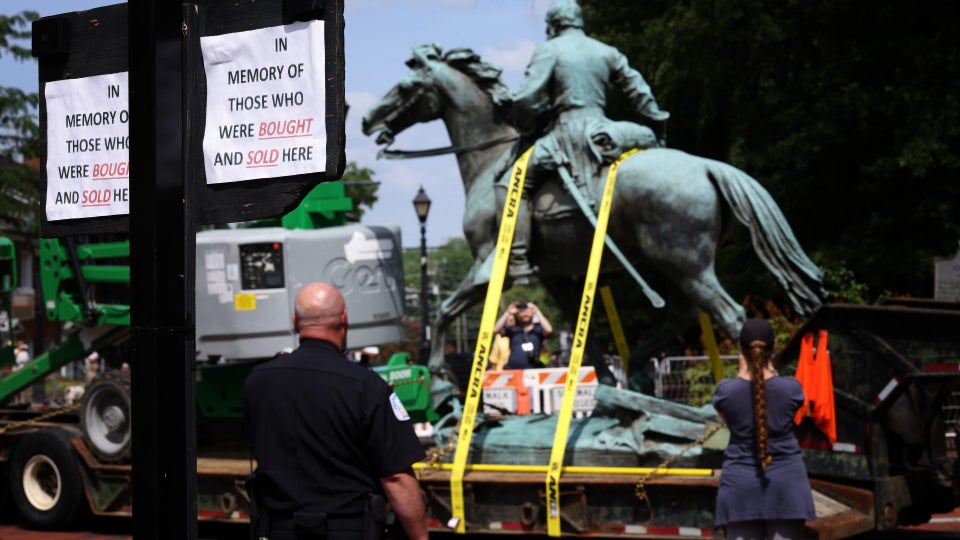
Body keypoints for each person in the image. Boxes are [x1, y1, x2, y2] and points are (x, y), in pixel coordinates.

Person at [498, 0, 670, 278]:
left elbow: (527, 98)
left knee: (510, 184)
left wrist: (527, 120)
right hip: (606, 127)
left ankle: (517, 259)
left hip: (567, 132)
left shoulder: (549, 50)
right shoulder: (606, 51)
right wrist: (658, 121)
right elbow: (639, 90)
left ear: (553, 25)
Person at [243, 282, 428, 540]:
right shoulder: (367, 387)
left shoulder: (257, 382)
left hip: (276, 528)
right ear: (344, 319)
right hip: (347, 529)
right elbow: (396, 477)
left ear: (296, 322)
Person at [712, 318, 816, 540]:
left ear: (741, 349)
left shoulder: (726, 392)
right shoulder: (791, 388)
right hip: (786, 483)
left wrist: (743, 371)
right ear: (774, 347)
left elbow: (727, 417)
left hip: (740, 483)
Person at [493, 301, 554, 370]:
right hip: (512, 370)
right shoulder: (514, 329)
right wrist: (508, 312)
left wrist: (537, 311)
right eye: (522, 312)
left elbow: (549, 330)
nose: (525, 314)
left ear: (533, 313)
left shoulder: (538, 330)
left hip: (533, 370)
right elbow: (496, 330)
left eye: (528, 312)